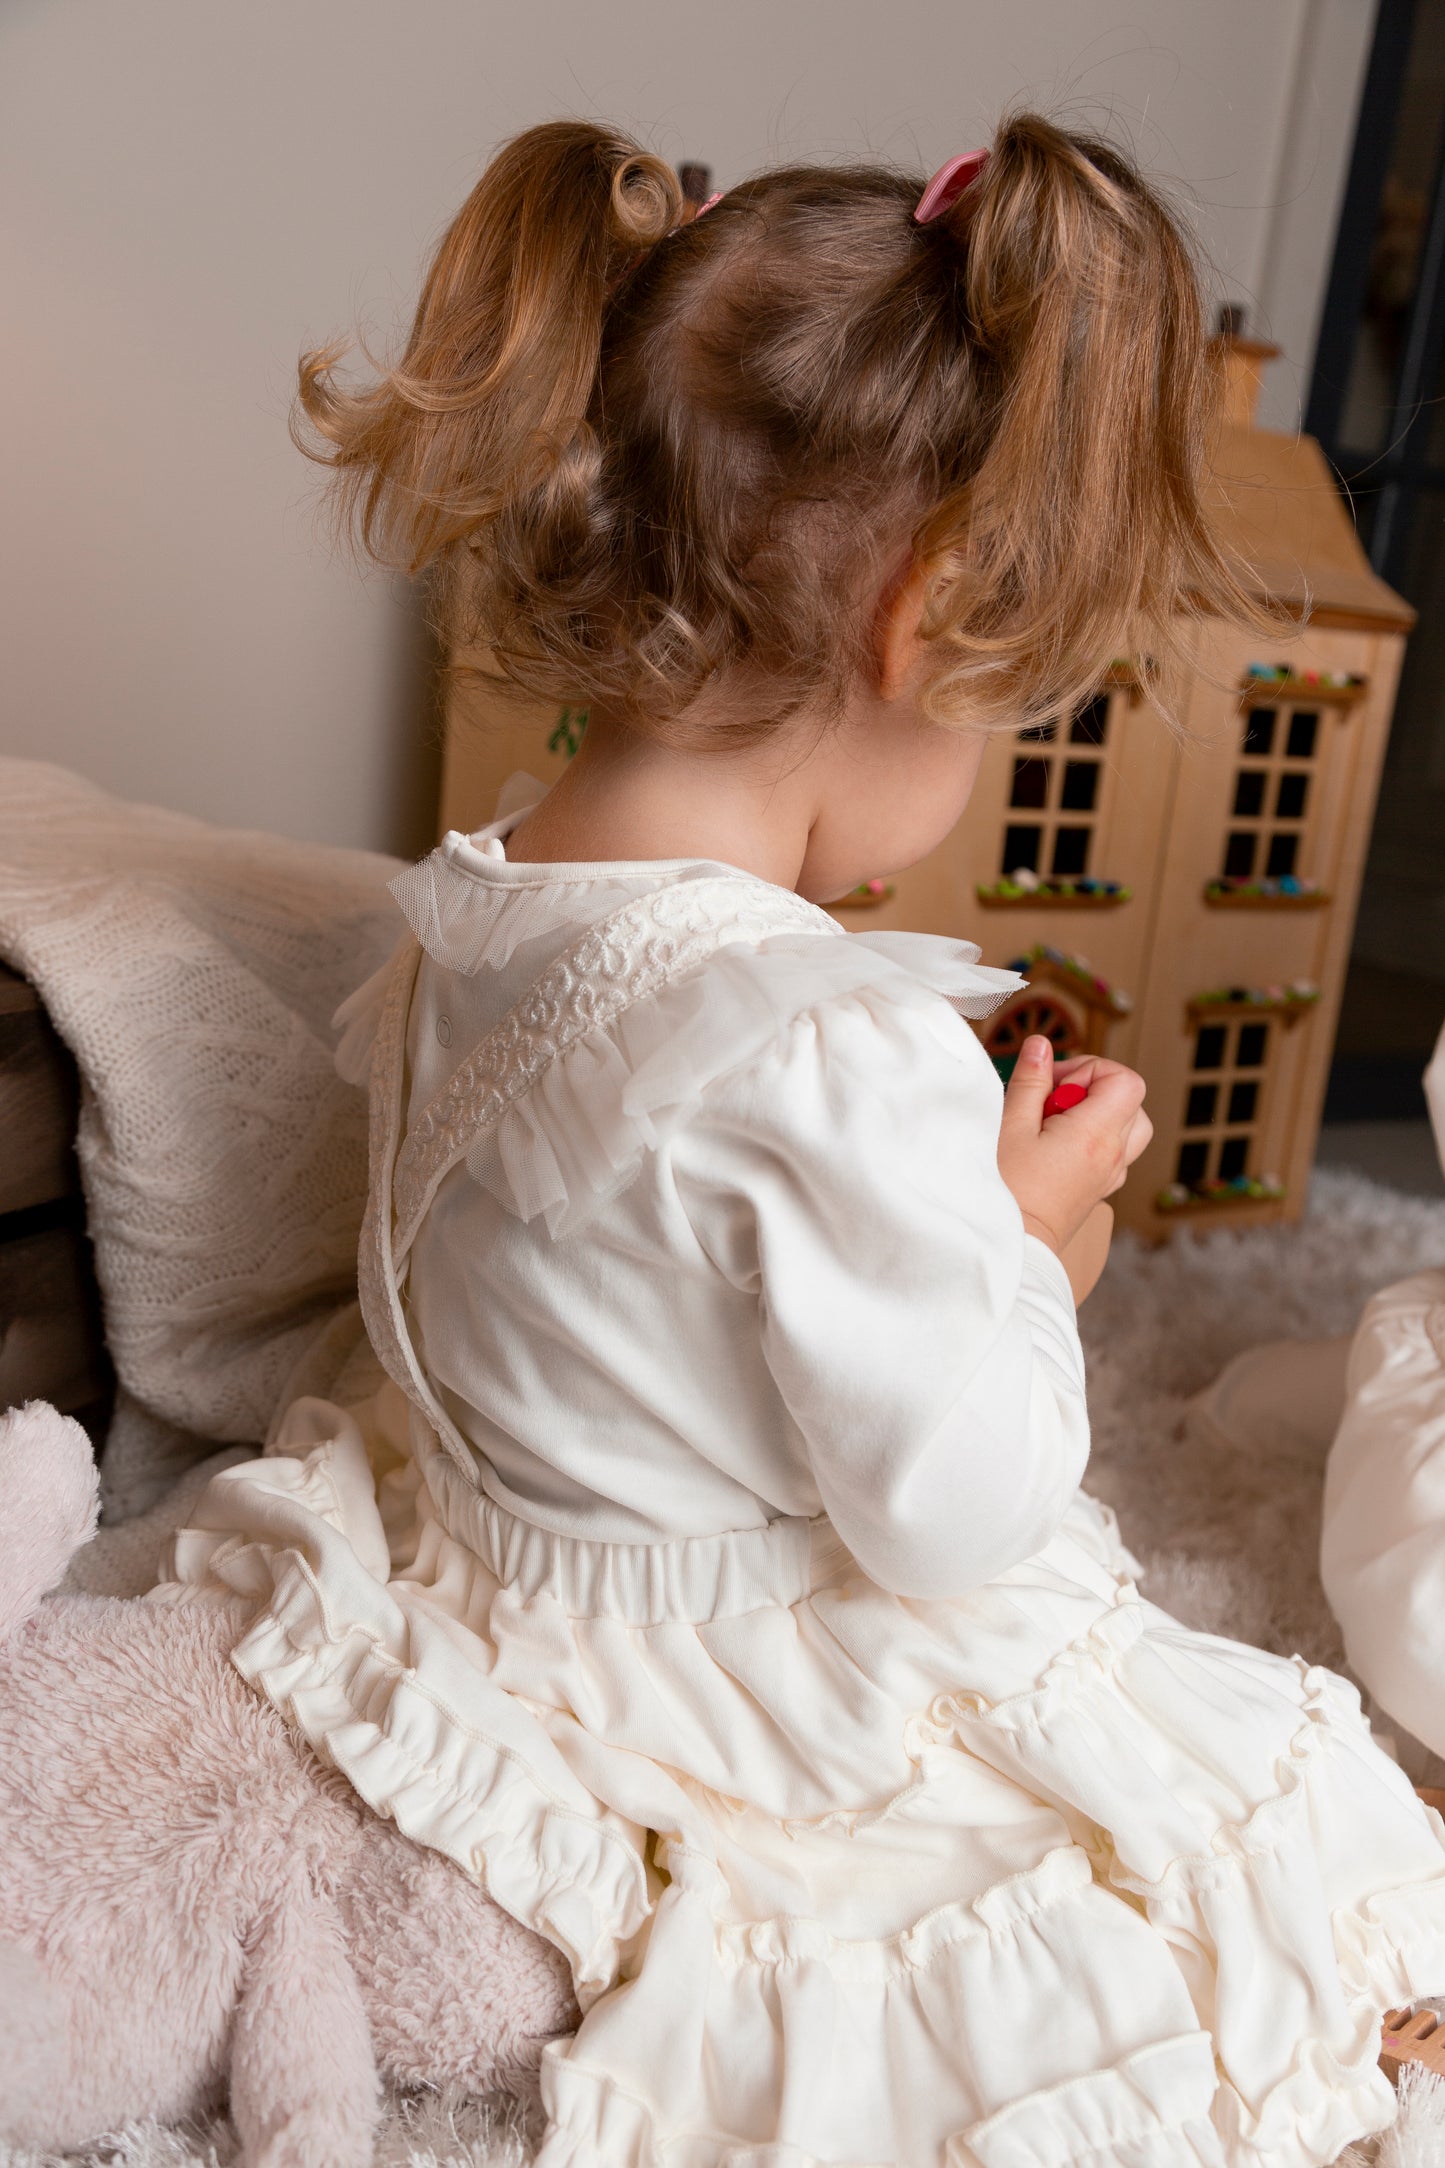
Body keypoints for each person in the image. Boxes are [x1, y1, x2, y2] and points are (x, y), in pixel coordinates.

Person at [158, 116, 1445, 2166]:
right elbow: (955, 1511)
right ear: (925, 629)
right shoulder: (829, 1053)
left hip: (512, 1572)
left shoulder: (470, 908)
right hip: (725, 1673)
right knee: (1245, 1836)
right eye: (1004, 704)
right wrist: (1027, 1244)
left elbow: (660, 1222)